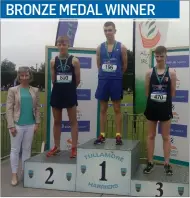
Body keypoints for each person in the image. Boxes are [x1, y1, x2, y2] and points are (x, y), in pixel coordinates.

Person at [144, 46, 176, 175]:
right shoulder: (149, 73)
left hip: (165, 108)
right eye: (156, 56)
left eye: (161, 56)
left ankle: (167, 163)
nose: (158, 58)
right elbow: (147, 92)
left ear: (166, 56)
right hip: (152, 106)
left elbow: (173, 93)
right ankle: (150, 162)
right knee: (151, 136)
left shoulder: (172, 73)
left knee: (166, 137)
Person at [47, 36, 80, 158]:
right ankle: (56, 146)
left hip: (70, 93)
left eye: (64, 44)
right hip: (57, 93)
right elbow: (53, 79)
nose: (62, 46)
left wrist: (69, 88)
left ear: (68, 45)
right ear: (57, 45)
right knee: (57, 121)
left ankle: (74, 148)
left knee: (73, 122)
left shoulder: (75, 61)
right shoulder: (53, 61)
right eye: (59, 44)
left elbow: (77, 80)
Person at [94, 21, 128, 145]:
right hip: (103, 80)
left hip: (116, 81)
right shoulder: (99, 47)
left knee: (117, 108)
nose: (108, 32)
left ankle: (118, 136)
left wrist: (115, 74)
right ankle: (102, 135)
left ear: (115, 31)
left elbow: (124, 66)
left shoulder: (122, 47)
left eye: (110, 30)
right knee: (103, 108)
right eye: (105, 30)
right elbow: (98, 64)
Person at [6, 67, 40, 186]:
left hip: (30, 125)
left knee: (27, 150)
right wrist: (11, 126)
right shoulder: (13, 90)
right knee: (15, 150)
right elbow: (9, 109)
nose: (24, 78)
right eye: (22, 75)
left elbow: (37, 108)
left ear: (30, 77)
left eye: (26, 75)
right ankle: (14, 174)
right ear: (19, 77)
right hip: (17, 125)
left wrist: (37, 123)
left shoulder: (35, 90)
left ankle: (25, 172)